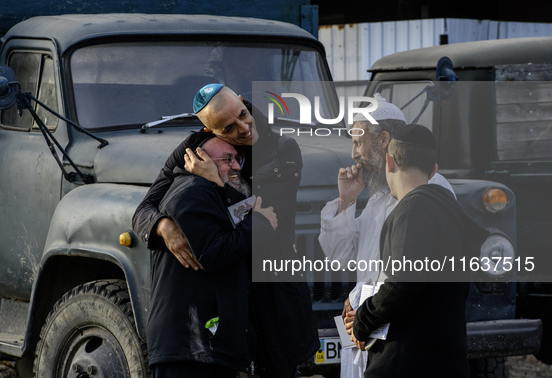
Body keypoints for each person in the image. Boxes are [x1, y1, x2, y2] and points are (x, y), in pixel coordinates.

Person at [133, 84, 319, 377]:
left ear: (243, 102)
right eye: (229, 128)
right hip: (226, 292)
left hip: (270, 286)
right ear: (211, 131)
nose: (244, 128)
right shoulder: (194, 148)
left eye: (244, 115)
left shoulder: (283, 151)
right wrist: (162, 225)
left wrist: (216, 182)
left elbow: (269, 217)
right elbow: (143, 210)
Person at [317, 94, 455, 377]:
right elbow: (342, 260)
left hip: (398, 336)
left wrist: (364, 313)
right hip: (368, 329)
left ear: (383, 140)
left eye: (358, 142)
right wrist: (346, 201)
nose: (354, 154)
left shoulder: (429, 191)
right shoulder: (378, 197)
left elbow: (407, 279)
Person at [350, 124, 489, 377]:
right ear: (433, 170)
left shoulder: (412, 208)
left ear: (389, 161)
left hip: (408, 362)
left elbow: (403, 281)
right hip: (445, 360)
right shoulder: (448, 207)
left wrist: (364, 319)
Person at [147, 131, 276, 377]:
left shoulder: (211, 191)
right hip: (189, 349)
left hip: (204, 346)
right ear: (199, 160)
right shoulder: (191, 193)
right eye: (227, 159)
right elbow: (214, 253)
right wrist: (260, 222)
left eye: (237, 158)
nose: (236, 165)